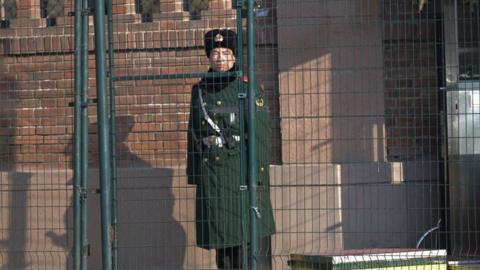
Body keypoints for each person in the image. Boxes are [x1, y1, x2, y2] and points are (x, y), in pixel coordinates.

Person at [186, 29, 275, 269]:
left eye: (226, 52)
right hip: (213, 179)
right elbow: (193, 133)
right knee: (224, 246)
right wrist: (195, 175)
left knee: (248, 244)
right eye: (215, 52)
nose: (220, 58)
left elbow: (260, 135)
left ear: (235, 56)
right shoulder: (201, 91)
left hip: (241, 174)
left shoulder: (247, 88)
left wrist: (259, 176)